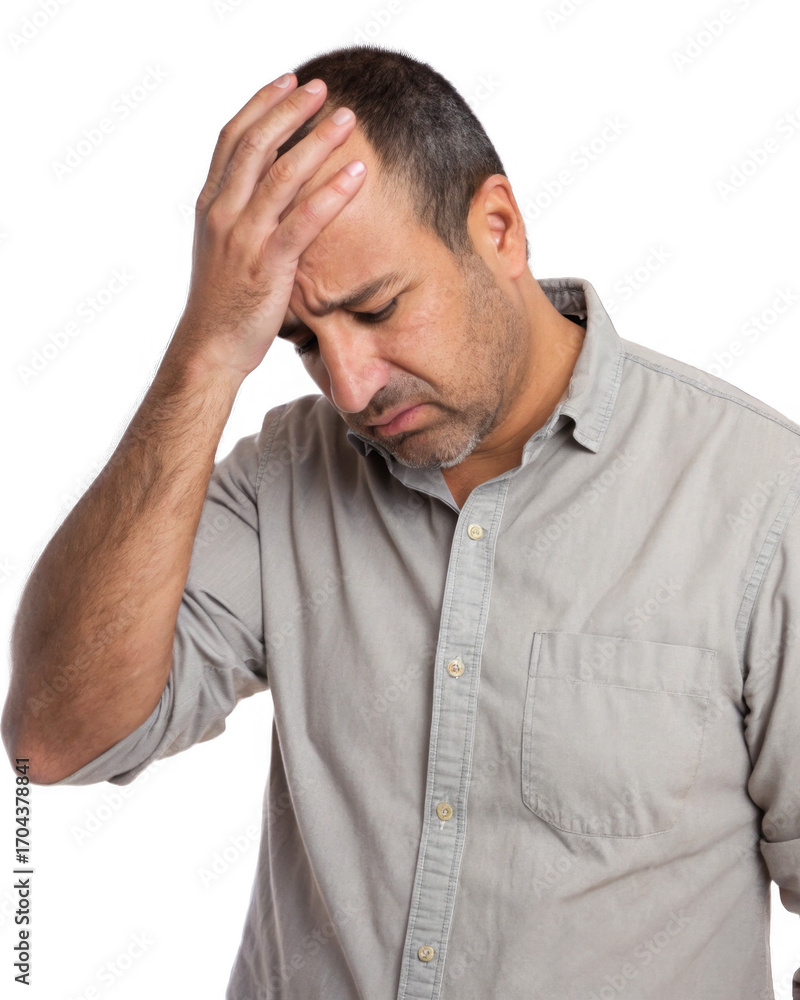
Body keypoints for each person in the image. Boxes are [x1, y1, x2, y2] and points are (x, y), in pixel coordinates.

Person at [2, 42, 799, 1000]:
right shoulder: (287, 475)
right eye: (301, 341)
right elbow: (55, 734)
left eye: (377, 310)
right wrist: (209, 351)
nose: (348, 384)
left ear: (498, 228)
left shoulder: (759, 499)